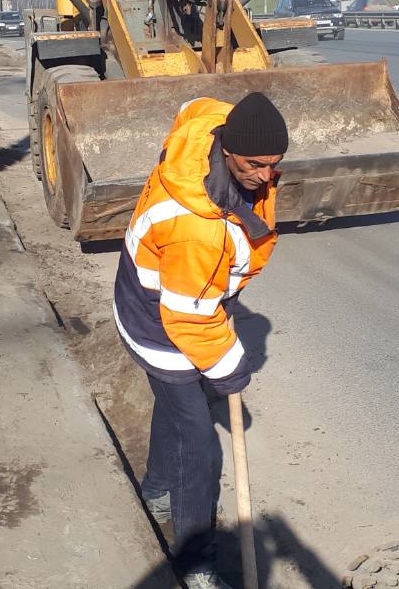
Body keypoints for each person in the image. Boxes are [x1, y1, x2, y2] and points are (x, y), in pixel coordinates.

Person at [112, 91, 286, 589]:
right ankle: (197, 565)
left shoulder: (214, 128)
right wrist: (232, 368)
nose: (265, 176)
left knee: (175, 406)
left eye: (275, 165)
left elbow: (197, 104)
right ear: (227, 152)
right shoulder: (195, 228)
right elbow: (188, 319)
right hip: (158, 320)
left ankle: (157, 489)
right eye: (255, 165)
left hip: (182, 295)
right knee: (200, 445)